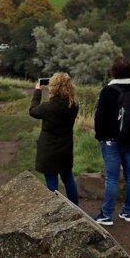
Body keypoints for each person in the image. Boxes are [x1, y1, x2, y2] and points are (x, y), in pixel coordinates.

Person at [92, 56, 130, 226]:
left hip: (111, 141)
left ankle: (107, 215)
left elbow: (99, 118)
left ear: (113, 71)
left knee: (112, 177)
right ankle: (129, 212)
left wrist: (101, 137)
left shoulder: (108, 91)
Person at [29, 72, 79, 204]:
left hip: (49, 150)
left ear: (54, 87)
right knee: (68, 179)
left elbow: (33, 110)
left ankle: (55, 208)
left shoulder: (48, 107)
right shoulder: (74, 105)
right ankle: (75, 206)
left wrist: (38, 90)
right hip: (65, 148)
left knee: (52, 182)